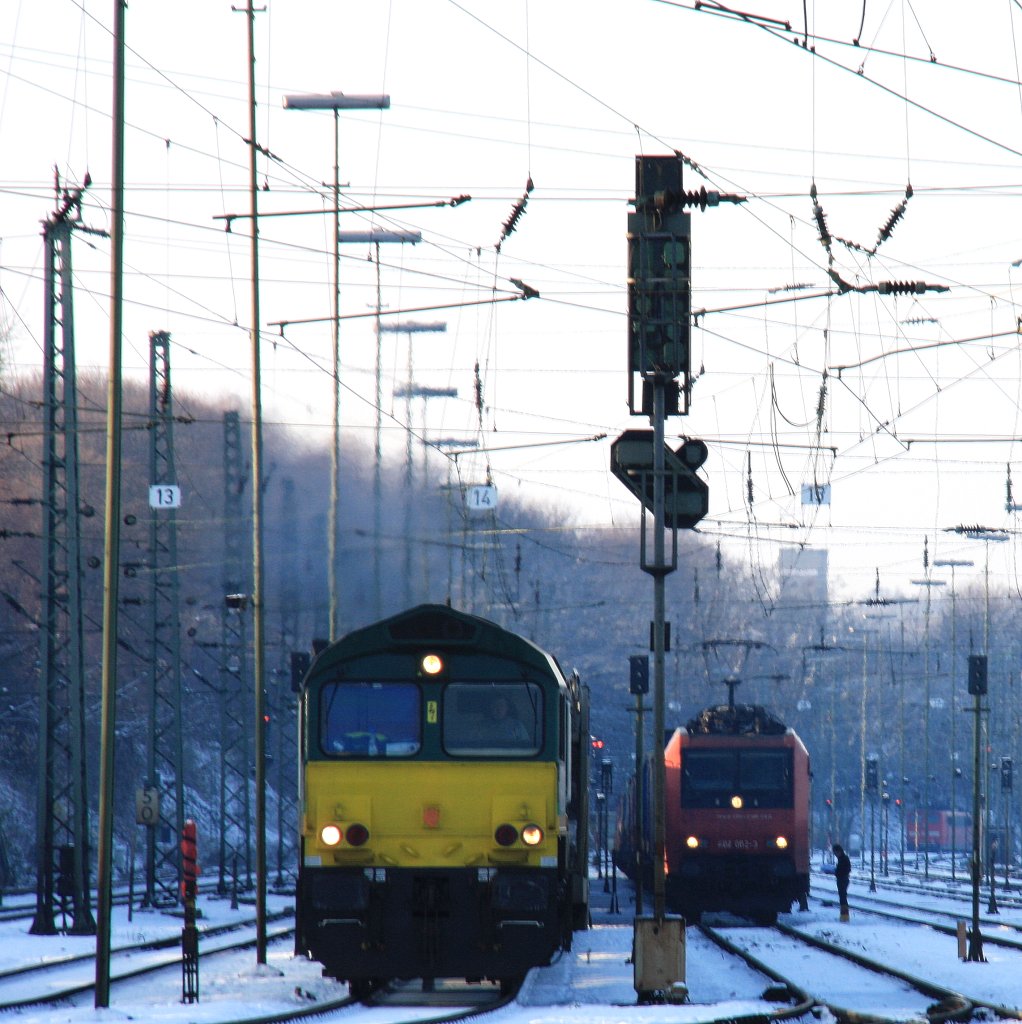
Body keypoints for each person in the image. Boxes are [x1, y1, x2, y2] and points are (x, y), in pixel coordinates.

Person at [833, 843, 851, 921]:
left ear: (839, 851)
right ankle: (844, 916)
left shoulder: (843, 859)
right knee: (842, 897)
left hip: (843, 880)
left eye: (835, 853)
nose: (835, 855)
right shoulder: (842, 858)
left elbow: (844, 869)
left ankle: (844, 916)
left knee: (843, 898)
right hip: (843, 879)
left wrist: (837, 872)